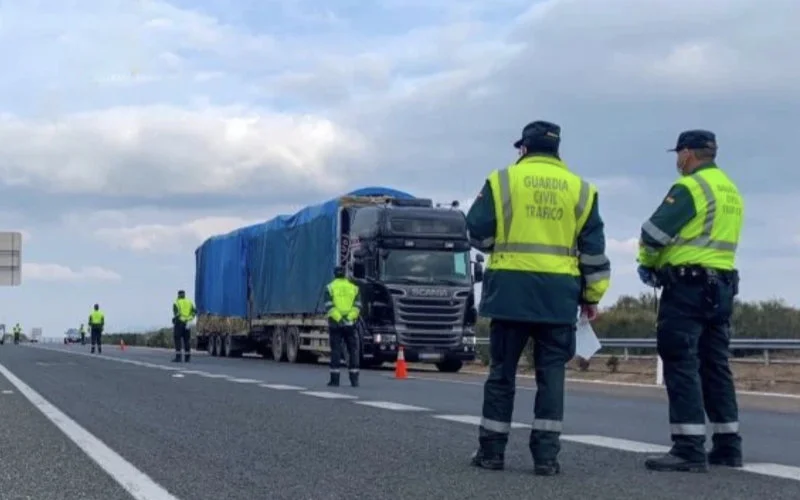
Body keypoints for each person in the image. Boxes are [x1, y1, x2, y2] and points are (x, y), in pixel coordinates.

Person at [466, 120, 611, 476]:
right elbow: (593, 252)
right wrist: (591, 295)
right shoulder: (581, 189)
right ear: (557, 149)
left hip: (510, 293)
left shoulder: (503, 180)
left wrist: (498, 245)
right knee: (552, 378)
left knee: (502, 374)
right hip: (558, 297)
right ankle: (546, 458)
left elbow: (476, 229)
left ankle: (492, 452)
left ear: (524, 148)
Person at [637, 130, 744, 473]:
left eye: (678, 154)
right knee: (715, 366)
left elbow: (653, 233)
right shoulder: (730, 189)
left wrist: (649, 265)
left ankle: (688, 447)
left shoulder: (691, 187)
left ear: (687, 153)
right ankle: (728, 445)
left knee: (681, 362)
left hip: (688, 288)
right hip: (722, 287)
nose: (677, 161)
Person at [323, 266, 362, 387]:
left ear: (334, 274)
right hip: (350, 324)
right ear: (345, 274)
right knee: (353, 351)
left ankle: (335, 380)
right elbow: (357, 306)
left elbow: (329, 306)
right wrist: (349, 318)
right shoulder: (354, 288)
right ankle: (354, 380)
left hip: (336, 324)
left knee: (336, 351)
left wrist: (339, 319)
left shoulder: (330, 287)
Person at [173, 289, 197, 362]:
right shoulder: (189, 302)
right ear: (184, 295)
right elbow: (194, 312)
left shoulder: (176, 302)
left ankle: (178, 357)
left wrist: (174, 319)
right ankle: (187, 358)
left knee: (177, 339)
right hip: (187, 324)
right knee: (187, 340)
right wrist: (190, 318)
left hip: (179, 323)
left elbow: (176, 314)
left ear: (178, 295)